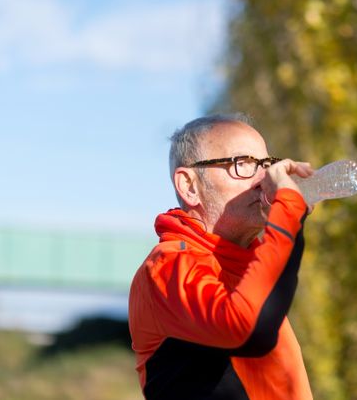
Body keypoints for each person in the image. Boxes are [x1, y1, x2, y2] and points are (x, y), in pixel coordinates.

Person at [128, 113, 315, 400]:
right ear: (190, 186)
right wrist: (288, 210)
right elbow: (249, 328)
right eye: (243, 165)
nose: (264, 179)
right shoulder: (168, 266)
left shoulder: (248, 265)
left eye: (267, 165)